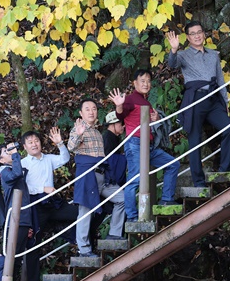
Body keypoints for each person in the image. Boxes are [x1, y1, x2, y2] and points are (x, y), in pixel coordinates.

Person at [167, 21, 230, 187]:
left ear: (204, 34)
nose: (197, 36)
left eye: (199, 32)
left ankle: (224, 168)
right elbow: (171, 65)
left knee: (229, 128)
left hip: (213, 100)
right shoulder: (183, 55)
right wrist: (174, 50)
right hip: (195, 100)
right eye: (193, 33)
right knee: (195, 140)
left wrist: (225, 101)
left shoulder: (213, 54)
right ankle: (198, 181)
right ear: (188, 37)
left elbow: (220, 79)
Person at [109, 69, 181, 223]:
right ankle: (133, 217)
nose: (146, 84)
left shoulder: (146, 101)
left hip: (148, 146)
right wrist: (119, 106)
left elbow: (149, 125)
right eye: (142, 80)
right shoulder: (130, 99)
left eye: (148, 81)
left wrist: (155, 119)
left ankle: (167, 199)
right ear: (134, 83)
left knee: (173, 164)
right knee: (135, 180)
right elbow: (121, 115)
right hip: (135, 144)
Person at [68, 98, 126, 257]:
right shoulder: (78, 129)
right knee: (85, 211)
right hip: (88, 176)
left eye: (94, 108)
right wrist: (78, 134)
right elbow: (71, 147)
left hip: (102, 177)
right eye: (87, 109)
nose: (91, 112)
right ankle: (84, 249)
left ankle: (114, 233)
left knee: (123, 198)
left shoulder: (98, 133)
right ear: (81, 113)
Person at [20, 128, 75, 281]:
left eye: (36, 140)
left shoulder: (48, 158)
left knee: (80, 214)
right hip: (35, 205)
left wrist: (60, 143)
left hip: (52, 202)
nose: (34, 144)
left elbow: (64, 159)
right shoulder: (23, 164)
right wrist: (41, 189)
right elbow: (22, 188)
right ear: (25, 147)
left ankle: (71, 237)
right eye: (30, 142)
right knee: (33, 244)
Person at [0, 141, 38, 281]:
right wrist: (15, 155)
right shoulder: (4, 171)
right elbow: (17, 174)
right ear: (1, 160)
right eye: (6, 152)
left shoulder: (12, 168)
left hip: (24, 219)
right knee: (11, 259)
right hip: (14, 220)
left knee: (19, 258)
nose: (10, 153)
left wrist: (29, 224)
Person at [101, 111, 128, 239]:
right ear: (113, 125)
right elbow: (109, 161)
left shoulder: (113, 138)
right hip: (106, 180)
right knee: (122, 200)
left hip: (108, 179)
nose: (123, 127)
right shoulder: (108, 138)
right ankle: (114, 234)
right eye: (122, 124)